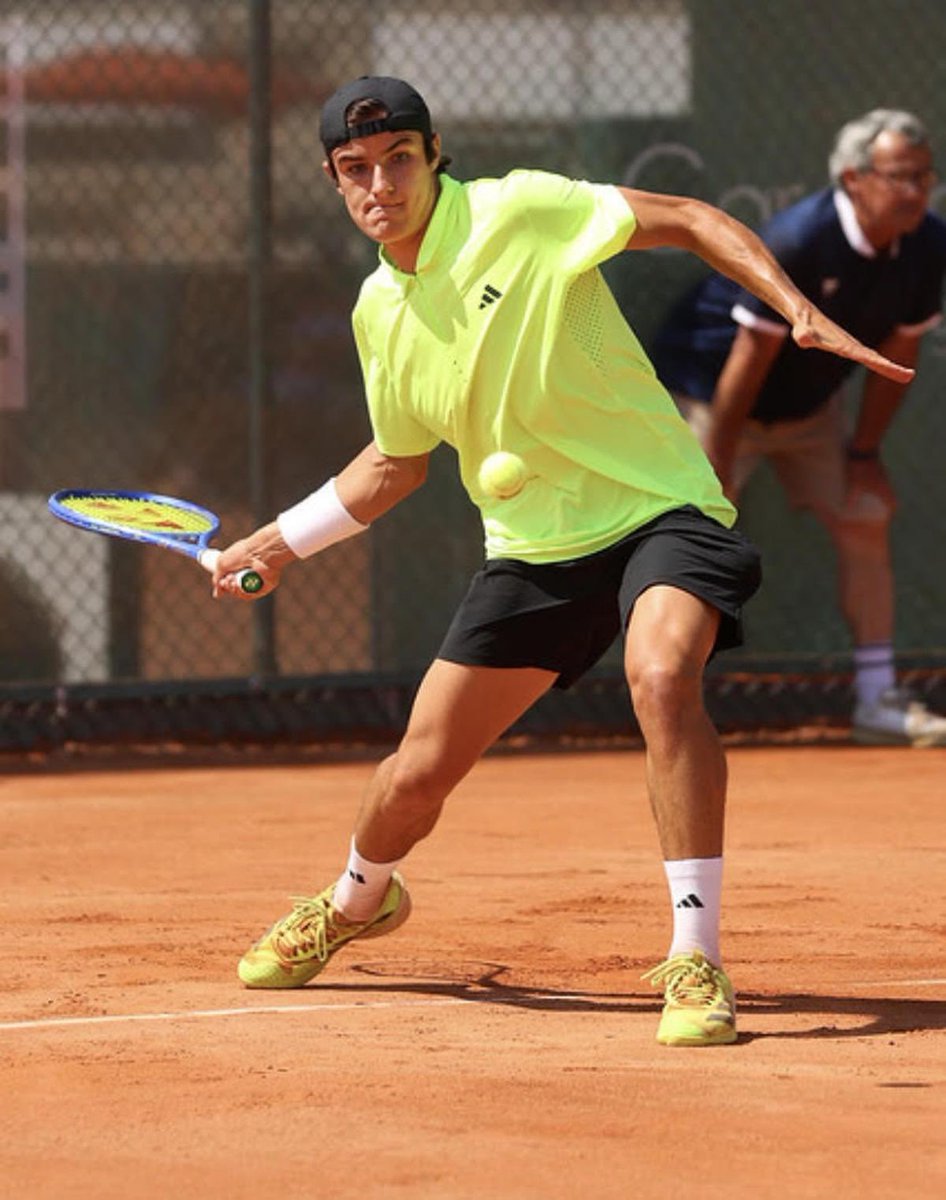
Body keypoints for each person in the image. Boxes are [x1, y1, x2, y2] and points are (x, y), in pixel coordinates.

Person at [213, 78, 912, 1046]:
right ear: (335, 183)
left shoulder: (518, 210)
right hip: (535, 551)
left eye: (399, 159)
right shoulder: (380, 313)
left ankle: (696, 957)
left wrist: (789, 303)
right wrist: (279, 542)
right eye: (356, 170)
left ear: (432, 155)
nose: (381, 183)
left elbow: (688, 219)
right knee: (414, 776)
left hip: (659, 506)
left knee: (662, 676)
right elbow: (392, 464)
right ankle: (355, 899)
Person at [651, 108, 946, 747]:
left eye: (924, 176)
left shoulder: (927, 243)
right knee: (688, 543)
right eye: (900, 176)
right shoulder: (798, 240)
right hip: (713, 398)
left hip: (809, 410)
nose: (916, 191)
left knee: (866, 514)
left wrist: (864, 454)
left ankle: (877, 700)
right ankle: (668, 701)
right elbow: (745, 364)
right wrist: (718, 468)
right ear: (853, 179)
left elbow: (901, 354)